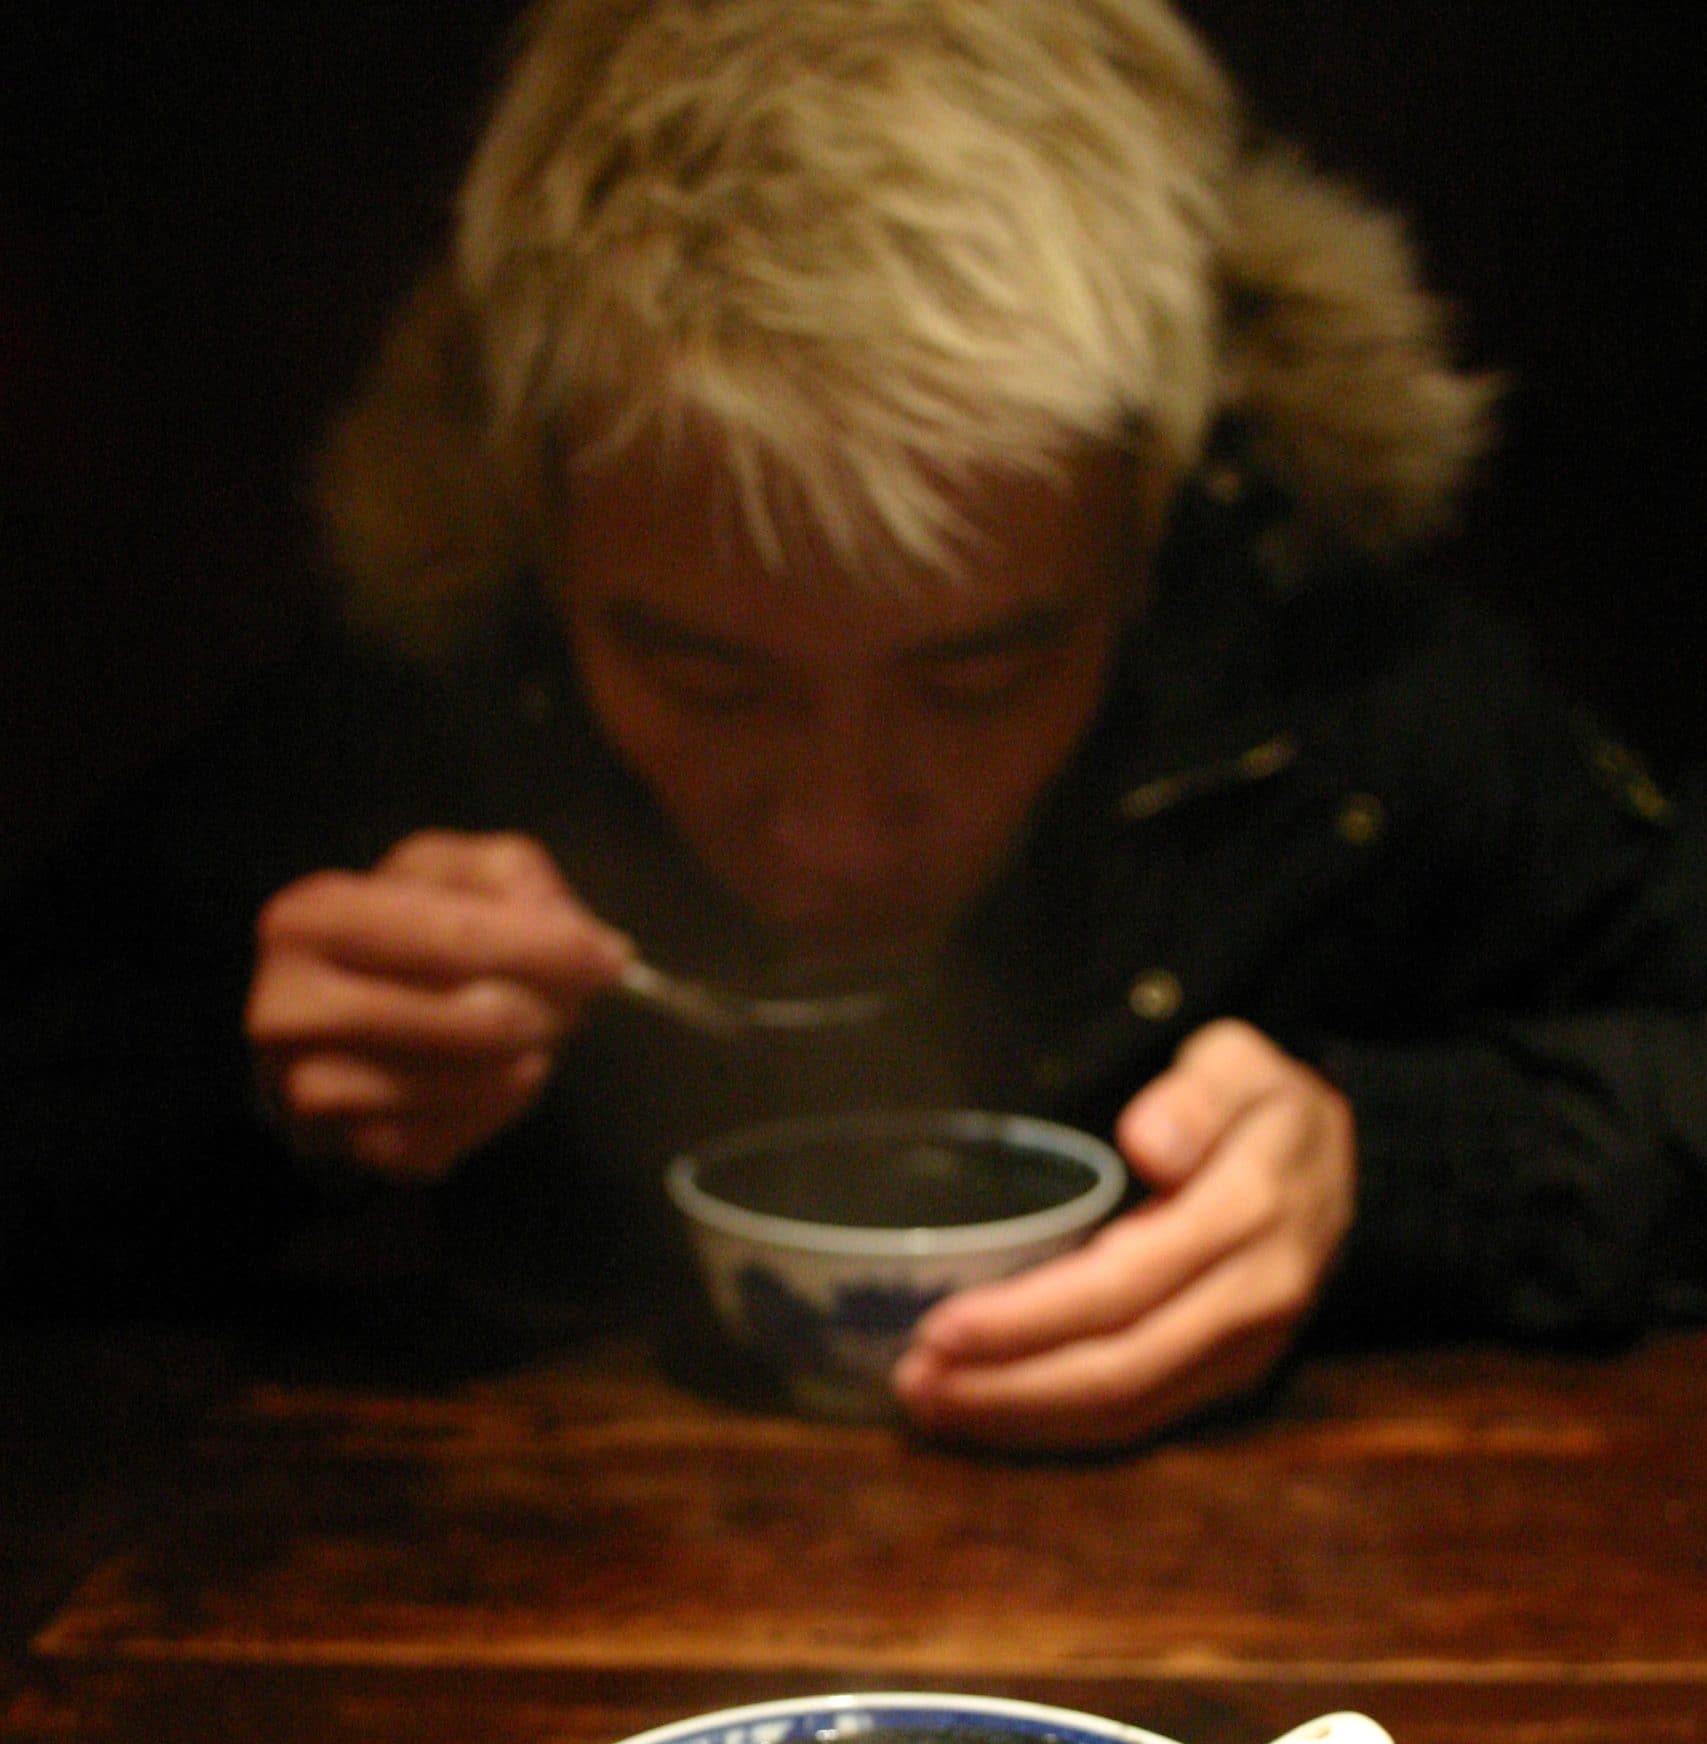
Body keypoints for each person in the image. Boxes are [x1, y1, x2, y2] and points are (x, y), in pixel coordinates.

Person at [8, 0, 1707, 1447]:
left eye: (977, 677)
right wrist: (249, 1091)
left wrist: (1388, 1170)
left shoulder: (1339, 685)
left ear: (1143, 527)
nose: (835, 825)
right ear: (542, 527)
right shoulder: (439, 681)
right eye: (706, 678)